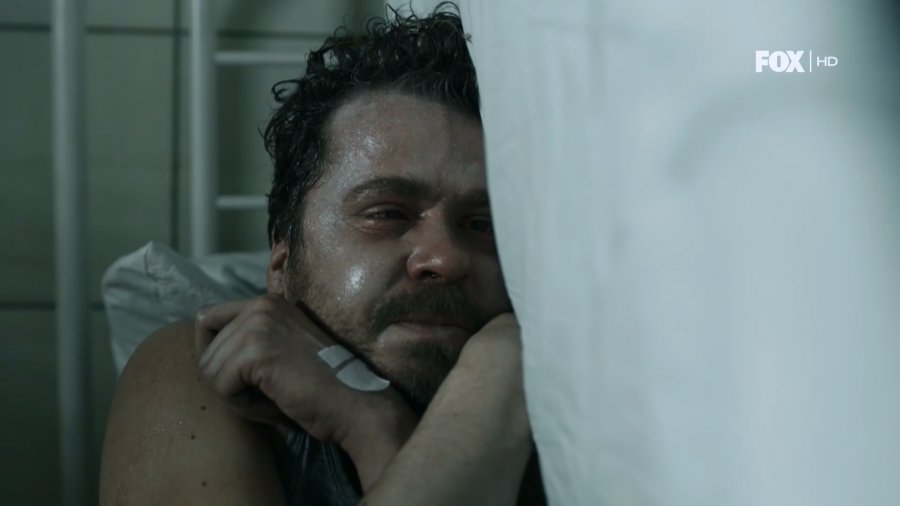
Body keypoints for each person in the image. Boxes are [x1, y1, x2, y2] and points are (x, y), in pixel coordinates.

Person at [100, 5, 544, 505]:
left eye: (482, 225)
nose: (445, 258)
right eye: (387, 213)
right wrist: (375, 424)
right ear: (281, 264)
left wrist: (491, 373)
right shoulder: (203, 370)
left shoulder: (557, 402)